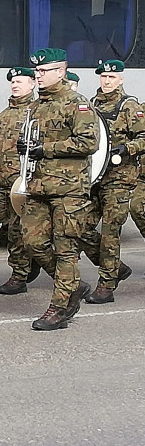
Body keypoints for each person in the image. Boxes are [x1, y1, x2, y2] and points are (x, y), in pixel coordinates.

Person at [18, 48, 99, 331]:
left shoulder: (77, 104)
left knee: (66, 249)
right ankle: (72, 285)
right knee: (32, 242)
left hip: (69, 189)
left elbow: (89, 143)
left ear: (60, 72)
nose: (37, 76)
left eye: (43, 71)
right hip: (39, 186)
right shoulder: (36, 106)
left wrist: (46, 149)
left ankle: (60, 306)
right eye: (36, 72)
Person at [80, 59, 144, 303]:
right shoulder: (92, 105)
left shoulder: (129, 106)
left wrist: (127, 149)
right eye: (104, 77)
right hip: (95, 177)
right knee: (81, 228)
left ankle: (106, 284)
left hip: (120, 179)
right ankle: (116, 268)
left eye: (112, 77)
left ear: (121, 79)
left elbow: (144, 136)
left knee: (110, 232)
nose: (107, 81)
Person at [0, 67, 41, 295]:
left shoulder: (37, 112)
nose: (15, 84)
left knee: (17, 230)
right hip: (2, 181)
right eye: (13, 81)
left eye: (20, 81)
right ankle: (32, 260)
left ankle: (19, 275)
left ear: (32, 83)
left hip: (20, 182)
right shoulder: (4, 114)